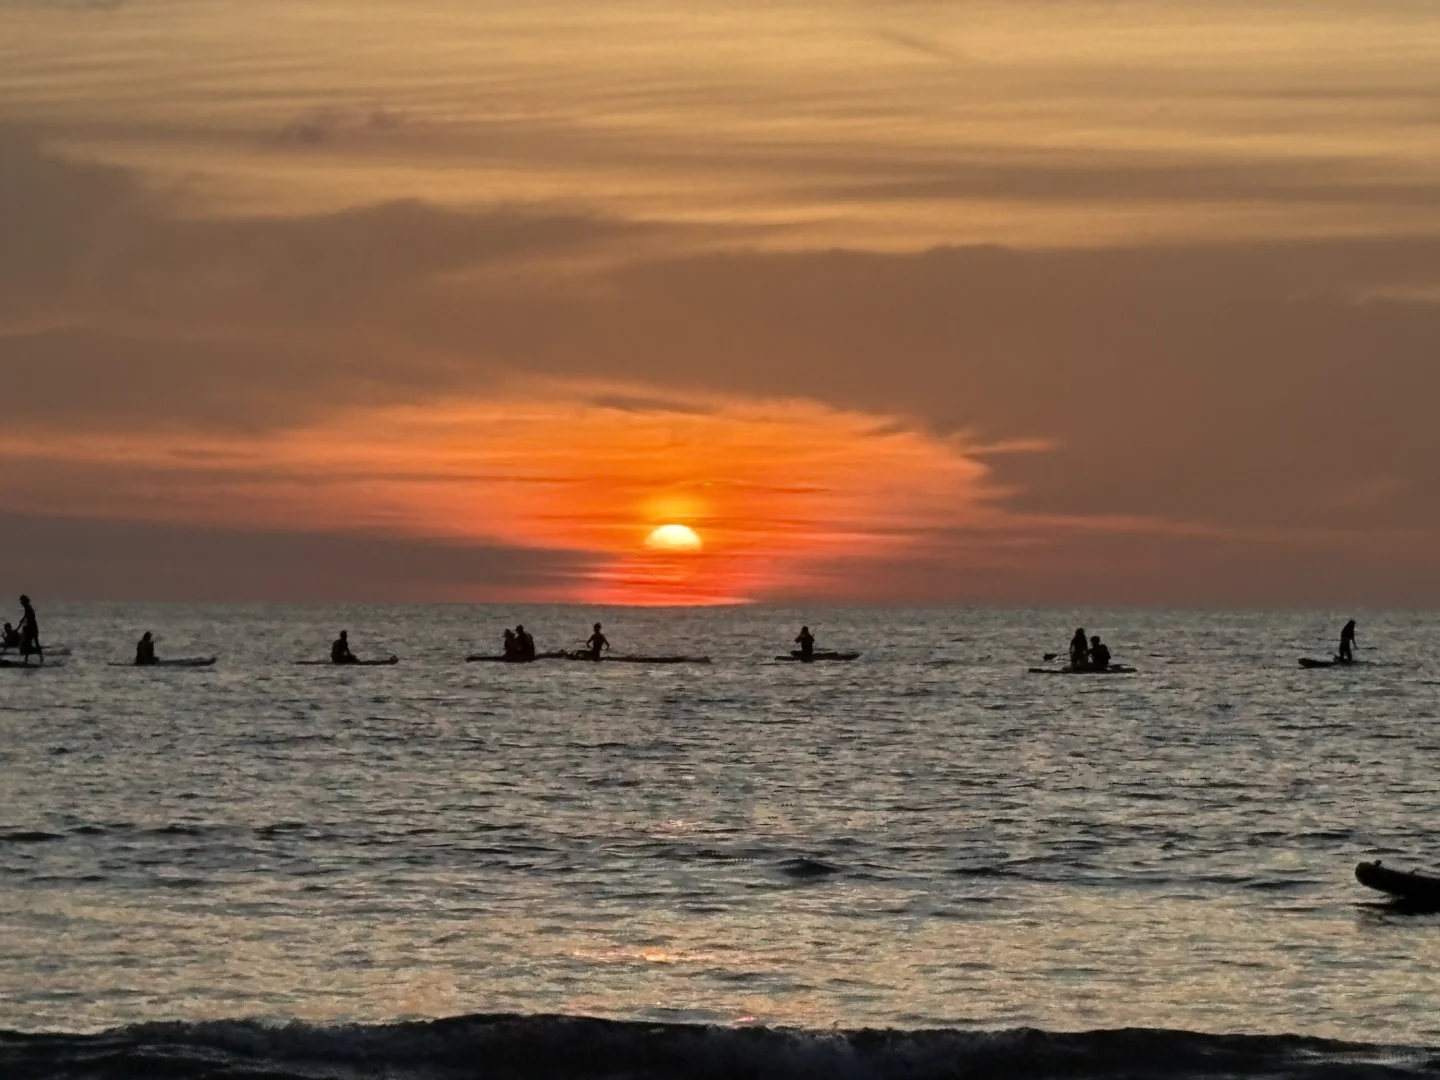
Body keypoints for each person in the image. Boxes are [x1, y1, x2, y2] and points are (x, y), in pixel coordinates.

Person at [17, 595, 41, 665]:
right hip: (32, 628)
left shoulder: (28, 607)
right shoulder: (27, 607)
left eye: (21, 601)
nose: (21, 603)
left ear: (25, 601)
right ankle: (38, 659)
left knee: (30, 643)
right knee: (31, 643)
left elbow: (31, 616)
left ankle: (29, 659)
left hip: (32, 628)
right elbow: (26, 616)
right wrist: (22, 621)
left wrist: (24, 621)